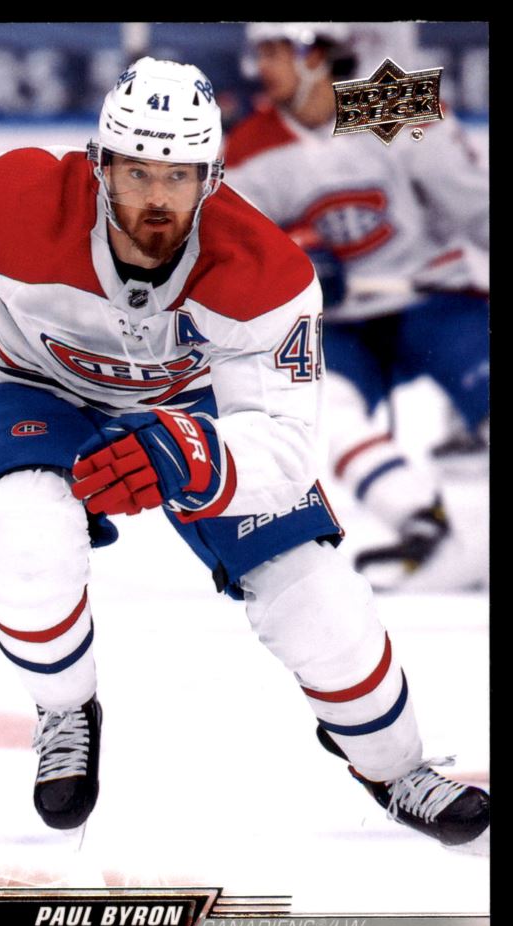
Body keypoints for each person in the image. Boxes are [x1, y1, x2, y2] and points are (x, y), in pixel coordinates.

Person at [0, 56, 488, 845]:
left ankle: (396, 767)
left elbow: (284, 447)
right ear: (99, 166)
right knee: (22, 541)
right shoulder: (20, 199)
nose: (158, 200)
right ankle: (66, 711)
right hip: (34, 388)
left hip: (193, 410)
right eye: (137, 173)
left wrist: (191, 454)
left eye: (179, 177)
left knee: (316, 598)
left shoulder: (266, 273)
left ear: (212, 178)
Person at [226, 23, 490, 590]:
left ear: (315, 53)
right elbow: (235, 255)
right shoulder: (249, 143)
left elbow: (479, 209)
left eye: (274, 52)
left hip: (434, 299)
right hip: (341, 323)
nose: (262, 67)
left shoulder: (395, 103)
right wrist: (295, 263)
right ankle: (426, 525)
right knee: (314, 410)